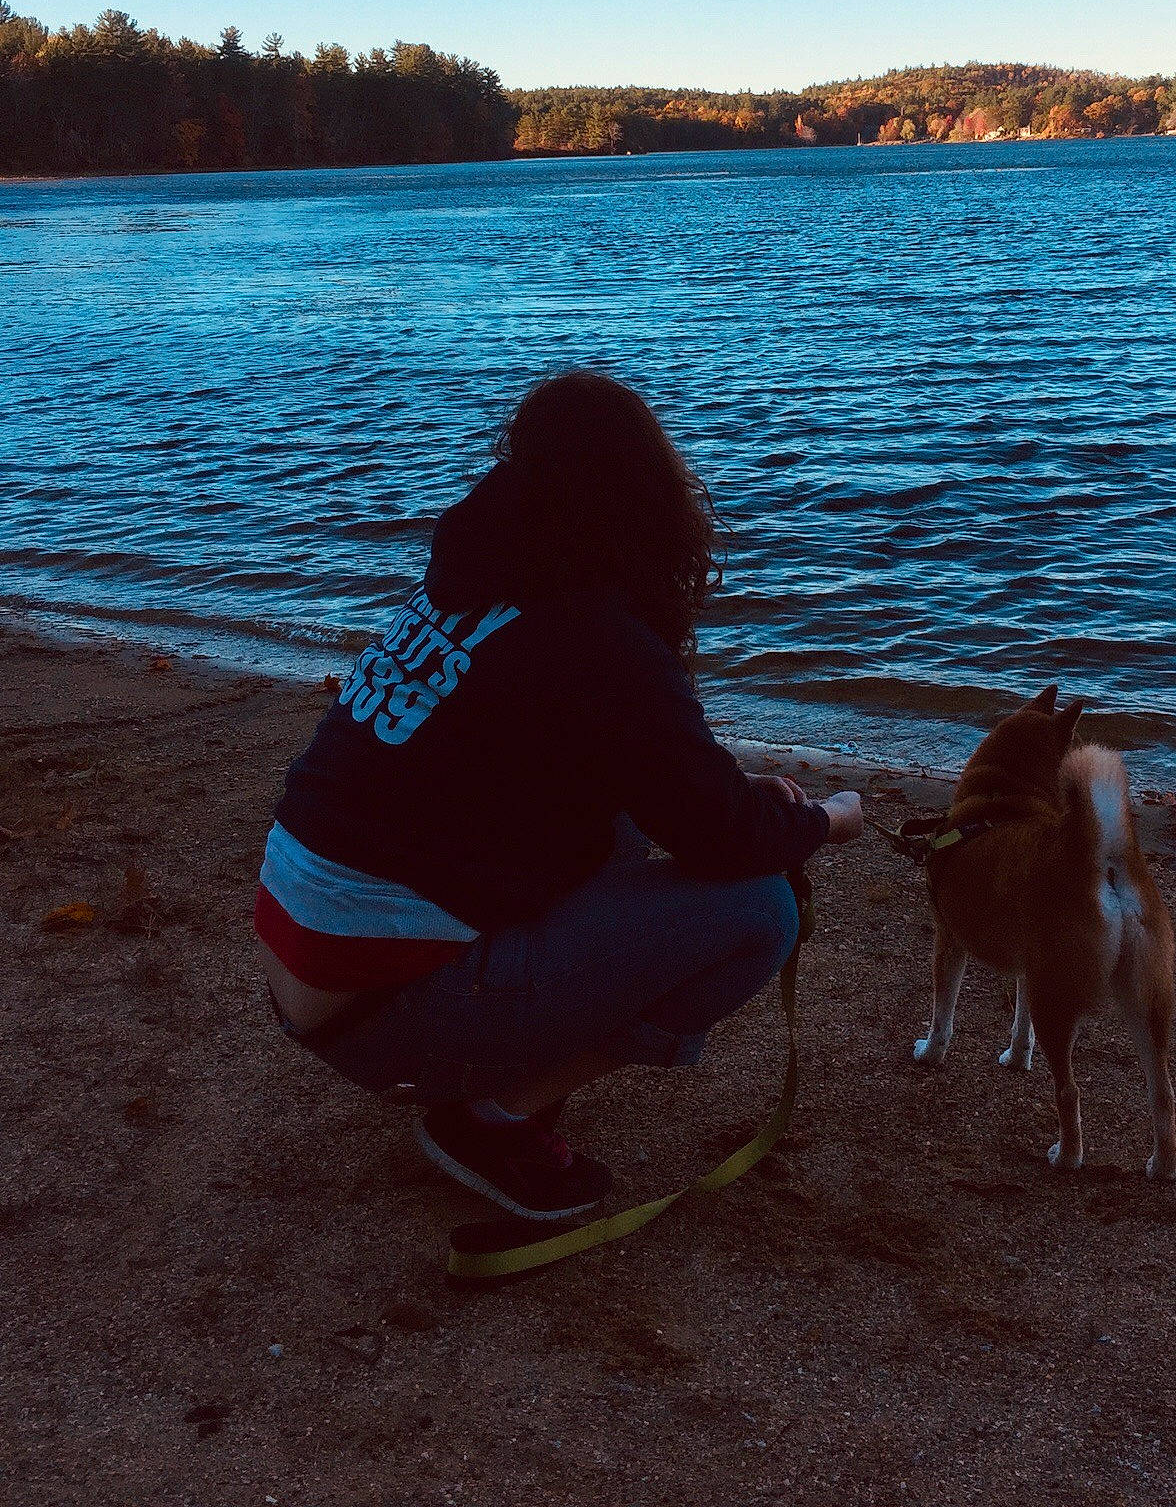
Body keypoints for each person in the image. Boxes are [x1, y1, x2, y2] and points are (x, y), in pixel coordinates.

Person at [256, 371, 863, 1221]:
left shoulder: (475, 584)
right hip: (380, 1008)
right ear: (649, 493)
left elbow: (621, 768)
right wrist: (827, 821)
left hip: (305, 970)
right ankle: (490, 1117)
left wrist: (719, 789)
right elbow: (727, 842)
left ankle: (483, 1055)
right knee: (760, 908)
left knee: (621, 821)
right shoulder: (595, 632)